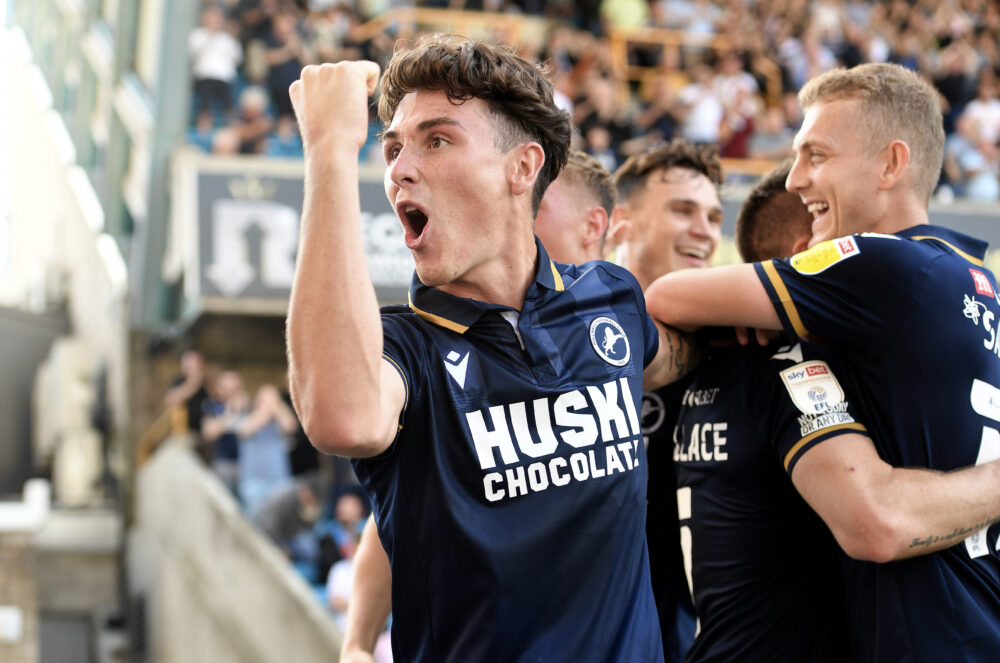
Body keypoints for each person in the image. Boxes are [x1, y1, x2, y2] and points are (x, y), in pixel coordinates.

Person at [287, 35, 692, 662]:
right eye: (392, 148)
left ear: (522, 169)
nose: (399, 169)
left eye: (437, 140)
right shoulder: (405, 349)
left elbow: (683, 357)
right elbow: (343, 417)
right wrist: (329, 151)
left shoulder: (610, 297)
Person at [646, 63, 1000, 661]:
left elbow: (666, 296)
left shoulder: (882, 264)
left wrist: (753, 315)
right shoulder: (973, 282)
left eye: (817, 155)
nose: (795, 178)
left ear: (891, 164)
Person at [339, 148, 618, 663]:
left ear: (593, 227)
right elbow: (404, 511)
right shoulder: (443, 343)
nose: (517, 216)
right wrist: (357, 640)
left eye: (536, 206)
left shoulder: (626, 323)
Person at [676, 160, 855, 661]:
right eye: (853, 243)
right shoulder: (793, 368)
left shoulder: (714, 360)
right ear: (806, 256)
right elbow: (878, 525)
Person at [609, 139, 723, 662]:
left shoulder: (731, 349)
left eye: (713, 217)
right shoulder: (557, 336)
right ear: (621, 222)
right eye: (682, 210)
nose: (704, 230)